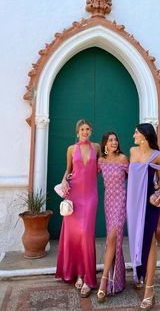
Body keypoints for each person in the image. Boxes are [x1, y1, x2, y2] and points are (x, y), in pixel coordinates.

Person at [55, 119, 100, 298]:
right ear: (77, 132)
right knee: (74, 235)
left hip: (90, 197)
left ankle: (89, 278)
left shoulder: (96, 147)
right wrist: (64, 180)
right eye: (82, 129)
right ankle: (79, 274)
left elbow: (103, 165)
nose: (85, 131)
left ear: (91, 131)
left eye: (87, 129)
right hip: (73, 195)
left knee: (86, 235)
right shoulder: (71, 149)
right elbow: (68, 170)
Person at [126, 123, 160, 311]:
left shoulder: (157, 156)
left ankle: (149, 289)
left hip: (149, 205)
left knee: (149, 241)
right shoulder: (132, 152)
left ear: (144, 135)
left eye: (136, 132)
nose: (133, 134)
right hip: (132, 205)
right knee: (136, 239)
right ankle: (140, 274)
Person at [96, 132, 129, 302]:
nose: (114, 142)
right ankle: (118, 279)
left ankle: (103, 282)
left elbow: (135, 178)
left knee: (111, 238)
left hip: (121, 202)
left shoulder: (123, 159)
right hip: (108, 203)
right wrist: (67, 181)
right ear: (105, 145)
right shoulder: (101, 161)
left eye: (116, 139)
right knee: (113, 242)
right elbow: (85, 175)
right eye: (110, 140)